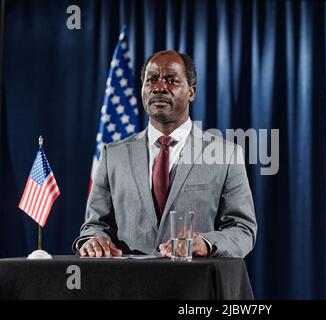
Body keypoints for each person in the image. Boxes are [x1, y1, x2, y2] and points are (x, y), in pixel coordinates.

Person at [73, 50, 257, 258]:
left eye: (171, 80)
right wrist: (94, 240)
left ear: (191, 92)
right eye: (151, 80)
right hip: (129, 286)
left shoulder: (226, 154)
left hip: (195, 286)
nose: (159, 87)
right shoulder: (112, 155)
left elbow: (243, 230)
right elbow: (95, 226)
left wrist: (206, 243)